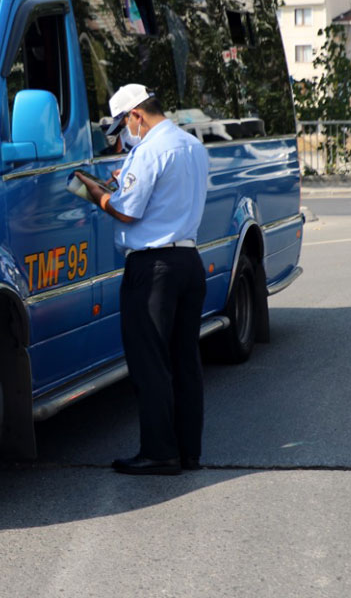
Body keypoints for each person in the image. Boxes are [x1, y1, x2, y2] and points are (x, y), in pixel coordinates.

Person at [76, 84, 210, 476]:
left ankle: (158, 452)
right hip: (188, 261)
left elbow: (126, 212)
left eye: (123, 126)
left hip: (153, 269)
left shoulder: (148, 151)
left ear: (136, 115)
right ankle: (188, 452)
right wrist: (127, 178)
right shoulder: (191, 145)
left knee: (149, 362)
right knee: (185, 360)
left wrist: (96, 193)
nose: (124, 135)